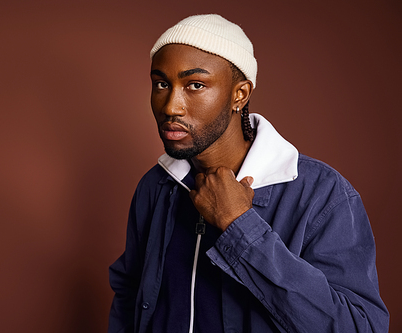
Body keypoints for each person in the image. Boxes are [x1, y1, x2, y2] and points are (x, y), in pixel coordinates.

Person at [108, 14, 389, 333]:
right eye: (161, 83)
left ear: (239, 94)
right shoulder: (157, 186)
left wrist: (240, 226)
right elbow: (130, 297)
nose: (171, 106)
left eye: (195, 85)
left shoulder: (321, 195)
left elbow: (358, 327)